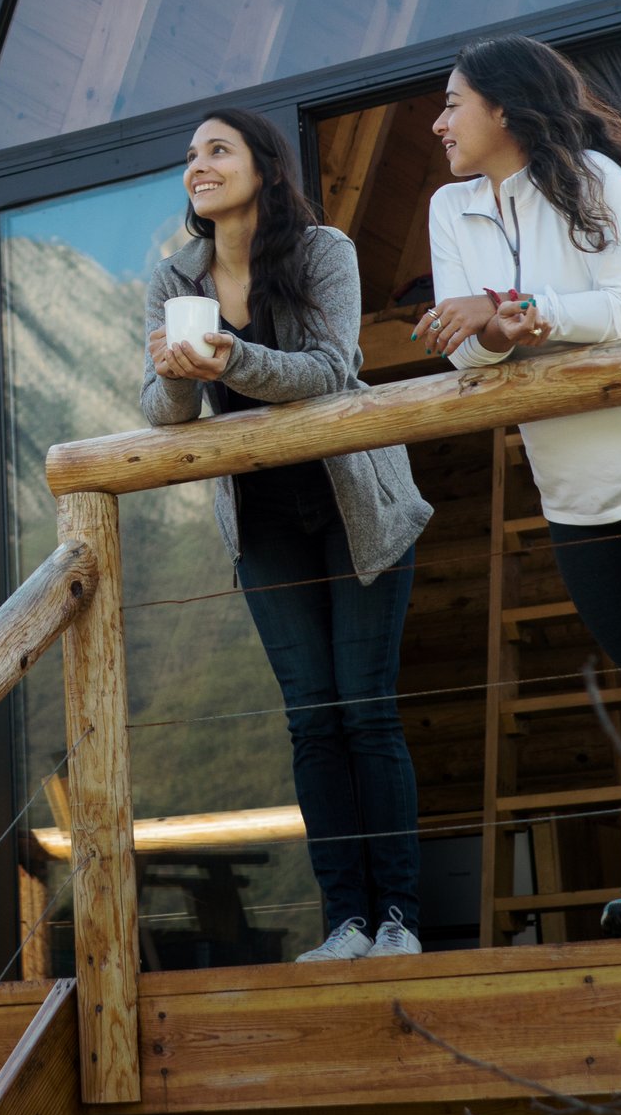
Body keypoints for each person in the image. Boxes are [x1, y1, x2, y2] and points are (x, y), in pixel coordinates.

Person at [414, 35, 621, 937]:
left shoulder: (597, 180)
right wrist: (495, 328)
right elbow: (468, 351)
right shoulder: (452, 209)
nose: (439, 121)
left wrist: (514, 314)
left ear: (505, 109)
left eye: (453, 103)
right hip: (571, 486)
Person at [144, 107, 435, 962]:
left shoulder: (322, 252)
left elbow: (331, 371)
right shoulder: (176, 278)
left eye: (217, 149)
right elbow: (164, 413)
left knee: (365, 709)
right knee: (311, 719)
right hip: (264, 520)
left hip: (358, 506)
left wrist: (231, 359)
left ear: (264, 166)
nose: (198, 164)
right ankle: (345, 921)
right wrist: (171, 372)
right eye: (191, 153)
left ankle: (400, 922)